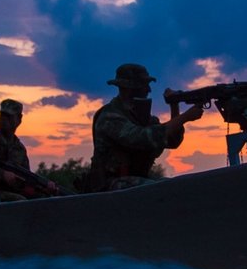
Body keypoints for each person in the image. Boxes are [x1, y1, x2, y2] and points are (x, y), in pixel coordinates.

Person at [86, 63, 204, 192]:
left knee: (178, 187)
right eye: (143, 85)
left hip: (134, 181)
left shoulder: (144, 119)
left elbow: (172, 141)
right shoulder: (109, 117)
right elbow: (142, 138)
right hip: (110, 186)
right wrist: (184, 117)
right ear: (129, 87)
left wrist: (174, 106)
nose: (148, 90)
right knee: (160, 190)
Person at [0, 99, 58, 201]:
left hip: (10, 191)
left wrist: (44, 187)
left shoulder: (19, 149)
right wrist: (1, 174)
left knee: (44, 199)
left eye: (9, 116)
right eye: (2, 115)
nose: (4, 119)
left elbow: (26, 180)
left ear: (19, 119)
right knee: (20, 201)